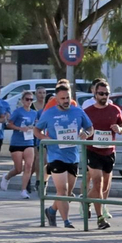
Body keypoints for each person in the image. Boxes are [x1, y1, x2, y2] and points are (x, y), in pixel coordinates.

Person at [35, 84, 94, 229]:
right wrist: (45, 138)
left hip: (72, 156)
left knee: (68, 193)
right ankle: (67, 221)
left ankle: (51, 210)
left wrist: (86, 134)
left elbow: (90, 128)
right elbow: (36, 130)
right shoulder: (48, 113)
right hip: (55, 156)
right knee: (62, 189)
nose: (66, 101)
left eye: (68, 97)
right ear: (56, 99)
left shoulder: (77, 111)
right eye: (63, 98)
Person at [81, 79, 122, 229]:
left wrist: (119, 130)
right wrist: (84, 133)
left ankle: (85, 199)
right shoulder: (88, 112)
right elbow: (83, 128)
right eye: (101, 93)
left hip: (109, 151)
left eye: (106, 94)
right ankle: (100, 218)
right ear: (95, 93)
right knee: (98, 183)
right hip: (93, 151)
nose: (104, 96)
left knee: (105, 187)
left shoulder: (115, 110)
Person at [5, 90, 40, 199]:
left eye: (31, 99)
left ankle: (24, 190)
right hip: (17, 142)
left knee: (29, 166)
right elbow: (9, 124)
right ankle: (6, 177)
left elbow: (37, 125)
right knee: (18, 169)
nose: (29, 101)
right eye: (27, 99)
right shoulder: (18, 112)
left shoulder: (34, 113)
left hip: (29, 142)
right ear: (22, 100)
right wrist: (20, 128)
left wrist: (34, 127)